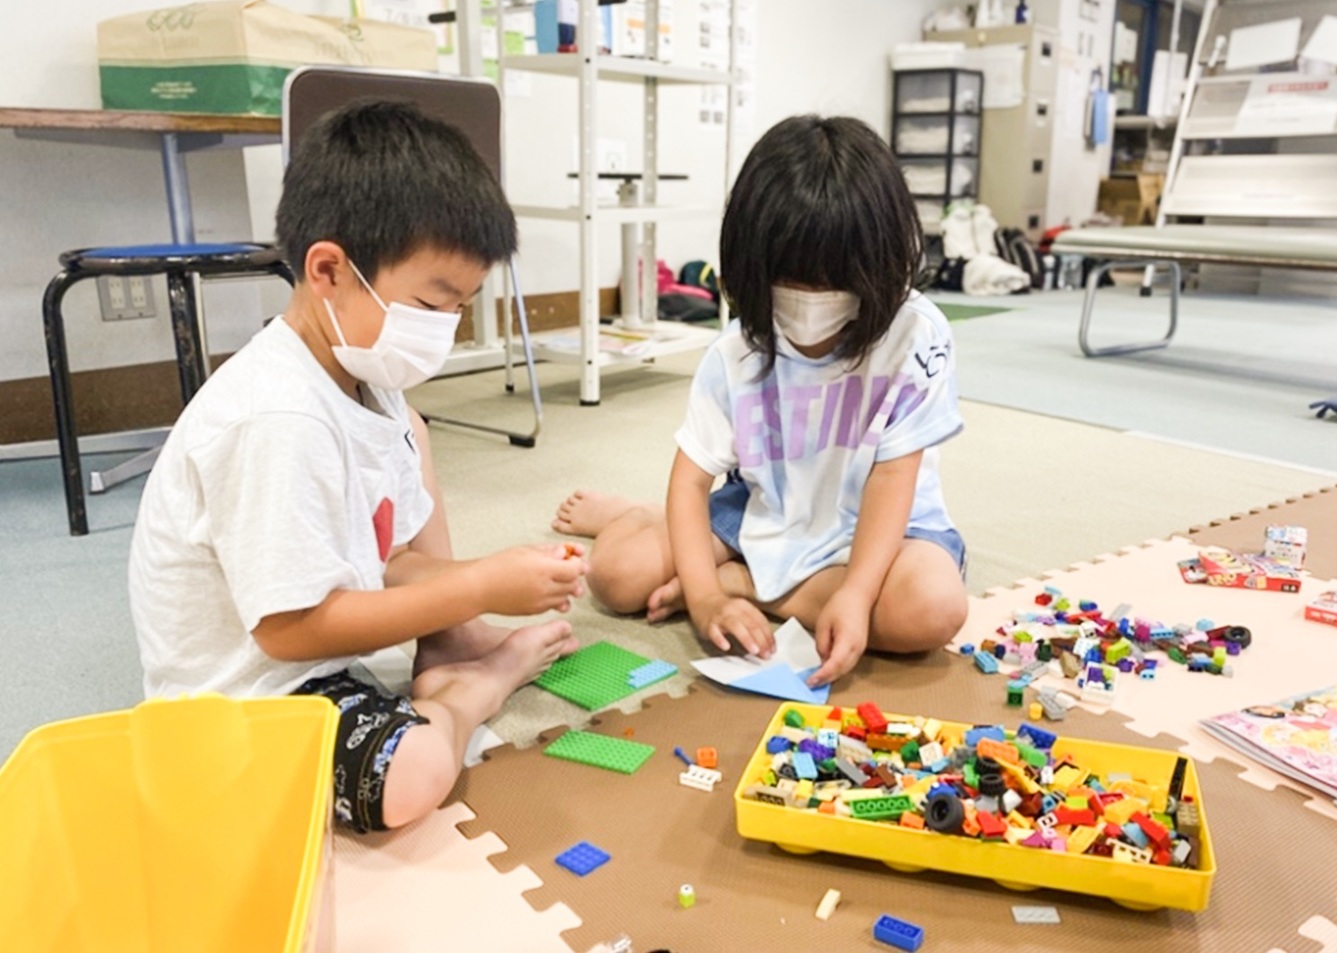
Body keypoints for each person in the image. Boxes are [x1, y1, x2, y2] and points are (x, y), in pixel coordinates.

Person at [129, 100, 585, 834]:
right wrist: (477, 583)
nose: (445, 330)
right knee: (414, 777)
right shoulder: (278, 416)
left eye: (460, 308)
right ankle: (477, 684)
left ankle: (453, 645)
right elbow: (288, 631)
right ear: (329, 270)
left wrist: (493, 575)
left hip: (320, 662)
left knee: (410, 427)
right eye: (432, 303)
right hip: (244, 705)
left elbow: (390, 559)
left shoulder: (365, 379)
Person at [553, 114, 969, 687]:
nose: (811, 303)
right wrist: (702, 601)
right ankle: (636, 515)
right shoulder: (737, 351)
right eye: (790, 283)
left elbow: (893, 478)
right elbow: (692, 479)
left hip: (881, 533)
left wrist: (854, 592)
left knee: (930, 610)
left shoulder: (915, 334)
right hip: (760, 510)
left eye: (834, 284)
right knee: (617, 578)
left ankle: (750, 581)